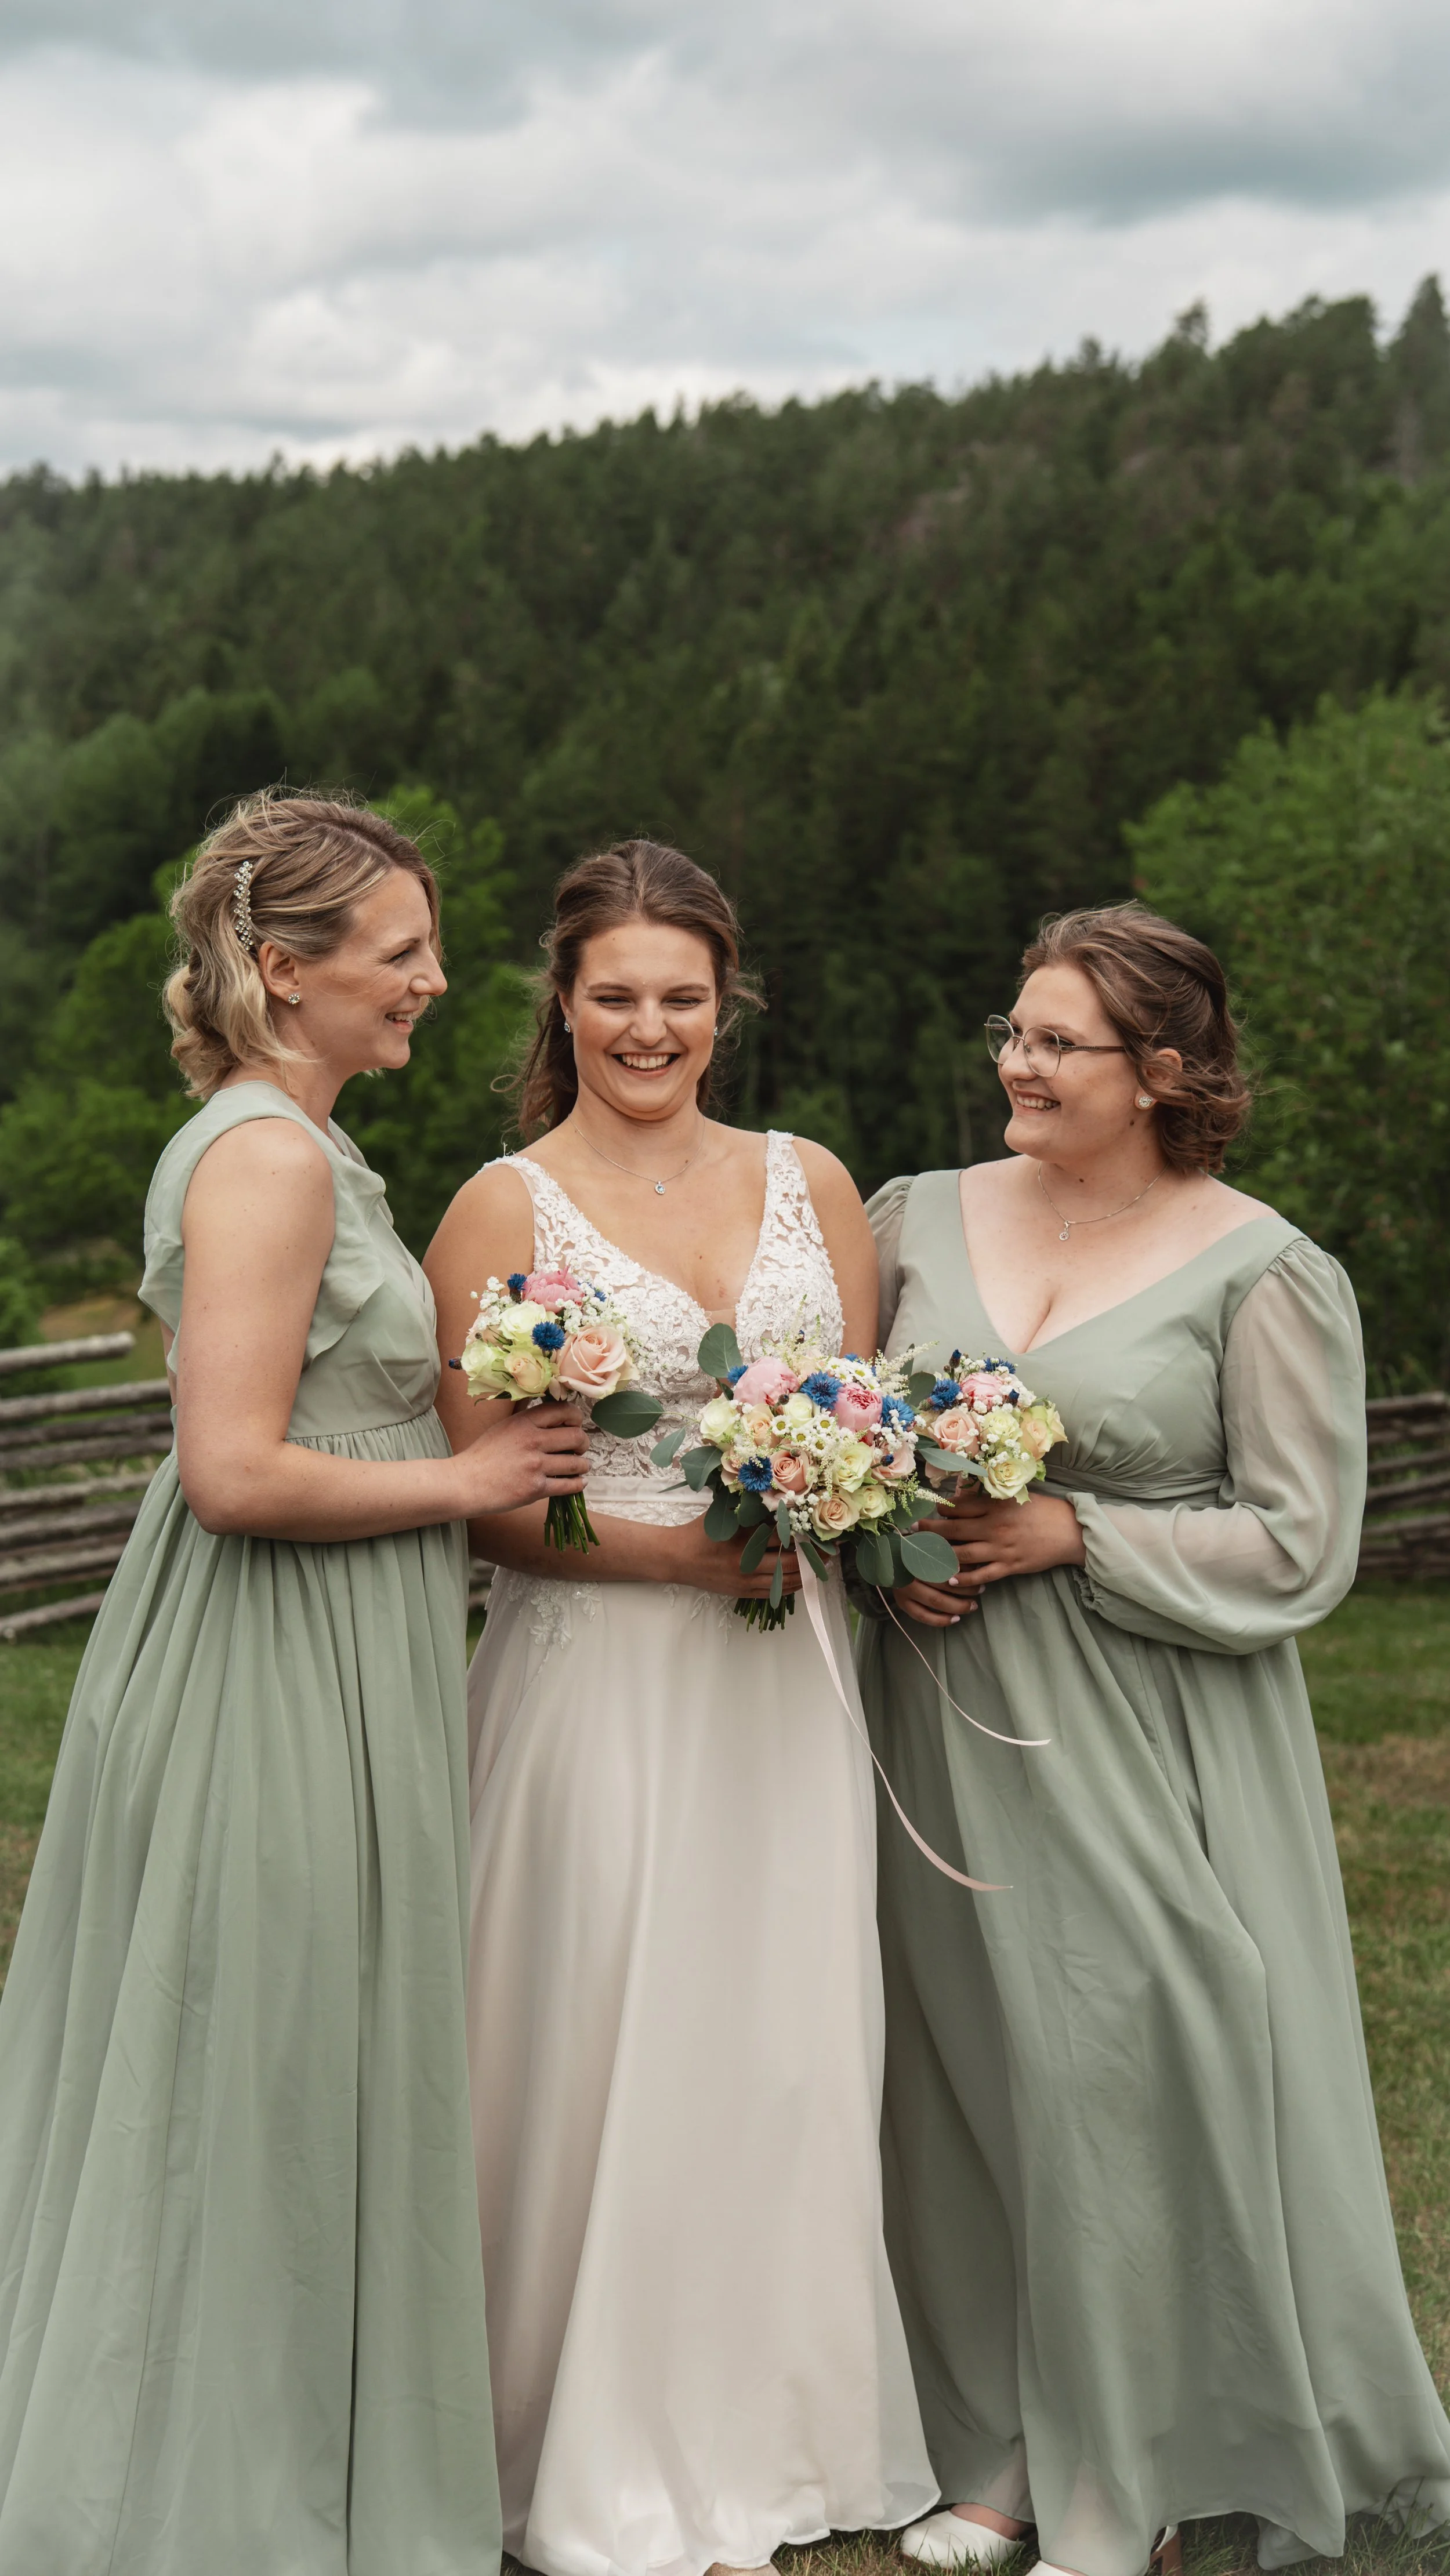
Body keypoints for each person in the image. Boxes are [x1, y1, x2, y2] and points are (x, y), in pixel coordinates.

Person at [0, 793, 589, 2576]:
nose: (431, 981)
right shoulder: (263, 1158)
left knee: (299, 2048)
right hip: (267, 1658)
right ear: (283, 967)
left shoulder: (306, 1146)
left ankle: (291, 2457)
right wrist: (474, 1487)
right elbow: (233, 1471)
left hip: (336, 1650)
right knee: (245, 2061)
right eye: (399, 952)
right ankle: (205, 2497)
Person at [859, 902, 1450, 2576]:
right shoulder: (917, 1217)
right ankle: (991, 2459)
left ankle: (1134, 2480)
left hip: (1149, 1725)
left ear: (1162, 1072)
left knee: (1130, 2072)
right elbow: (838, 1423)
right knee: (959, 2075)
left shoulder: (1262, 1270)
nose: (1015, 1064)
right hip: (940, 1713)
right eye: (1013, 1031)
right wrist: (878, 1551)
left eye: (1056, 1042)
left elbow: (1295, 1542)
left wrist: (1077, 1538)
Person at [425, 839, 937, 2576]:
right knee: (589, 2032)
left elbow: (859, 1429)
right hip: (599, 1677)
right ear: (562, 1004)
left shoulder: (815, 1181)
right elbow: (481, 1496)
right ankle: (578, 2442)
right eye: (615, 996)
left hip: (785, 1683)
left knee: (777, 2036)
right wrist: (665, 1566)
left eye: (681, 999)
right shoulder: (502, 1206)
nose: (649, 1029)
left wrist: (831, 1496)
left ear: (729, 1005)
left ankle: (774, 2435)